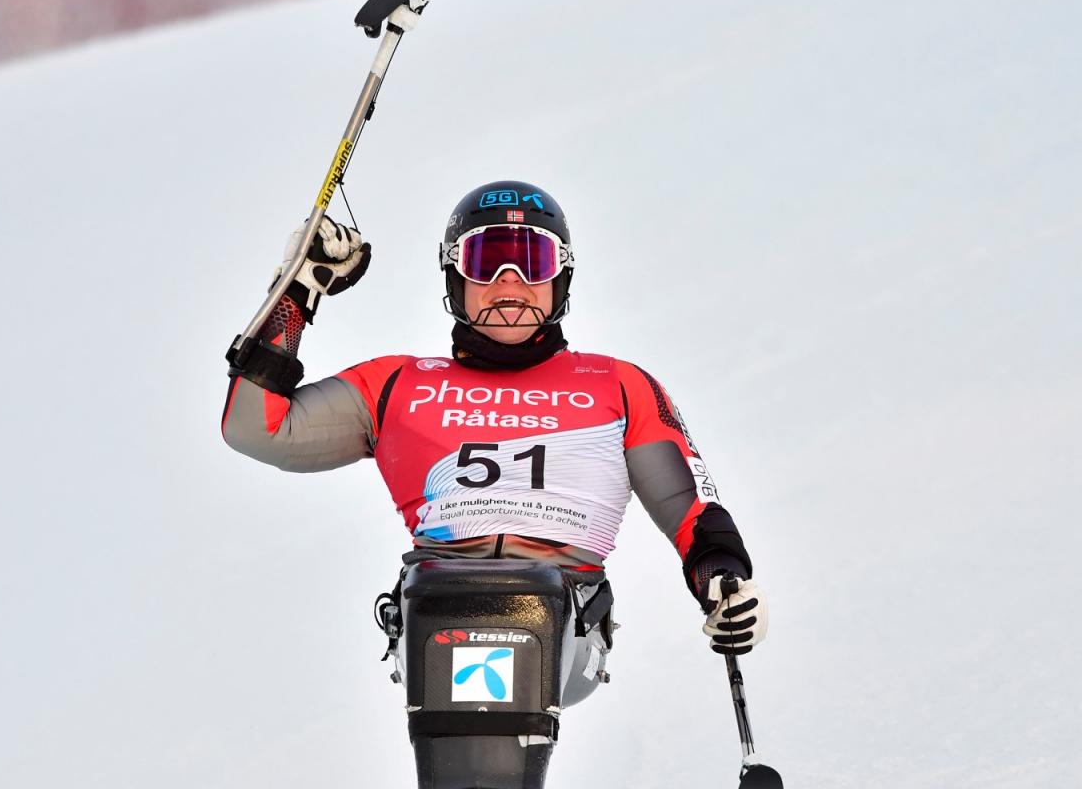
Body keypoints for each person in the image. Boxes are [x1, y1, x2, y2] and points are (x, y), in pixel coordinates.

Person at [221, 180, 769, 782]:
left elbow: (686, 498)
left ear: (560, 277)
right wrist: (297, 295)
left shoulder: (616, 385)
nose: (509, 282)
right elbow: (257, 430)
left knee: (530, 596)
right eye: (488, 260)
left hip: (568, 612)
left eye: (531, 260)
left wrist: (722, 574)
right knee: (448, 597)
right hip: (441, 600)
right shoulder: (399, 384)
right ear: (456, 276)